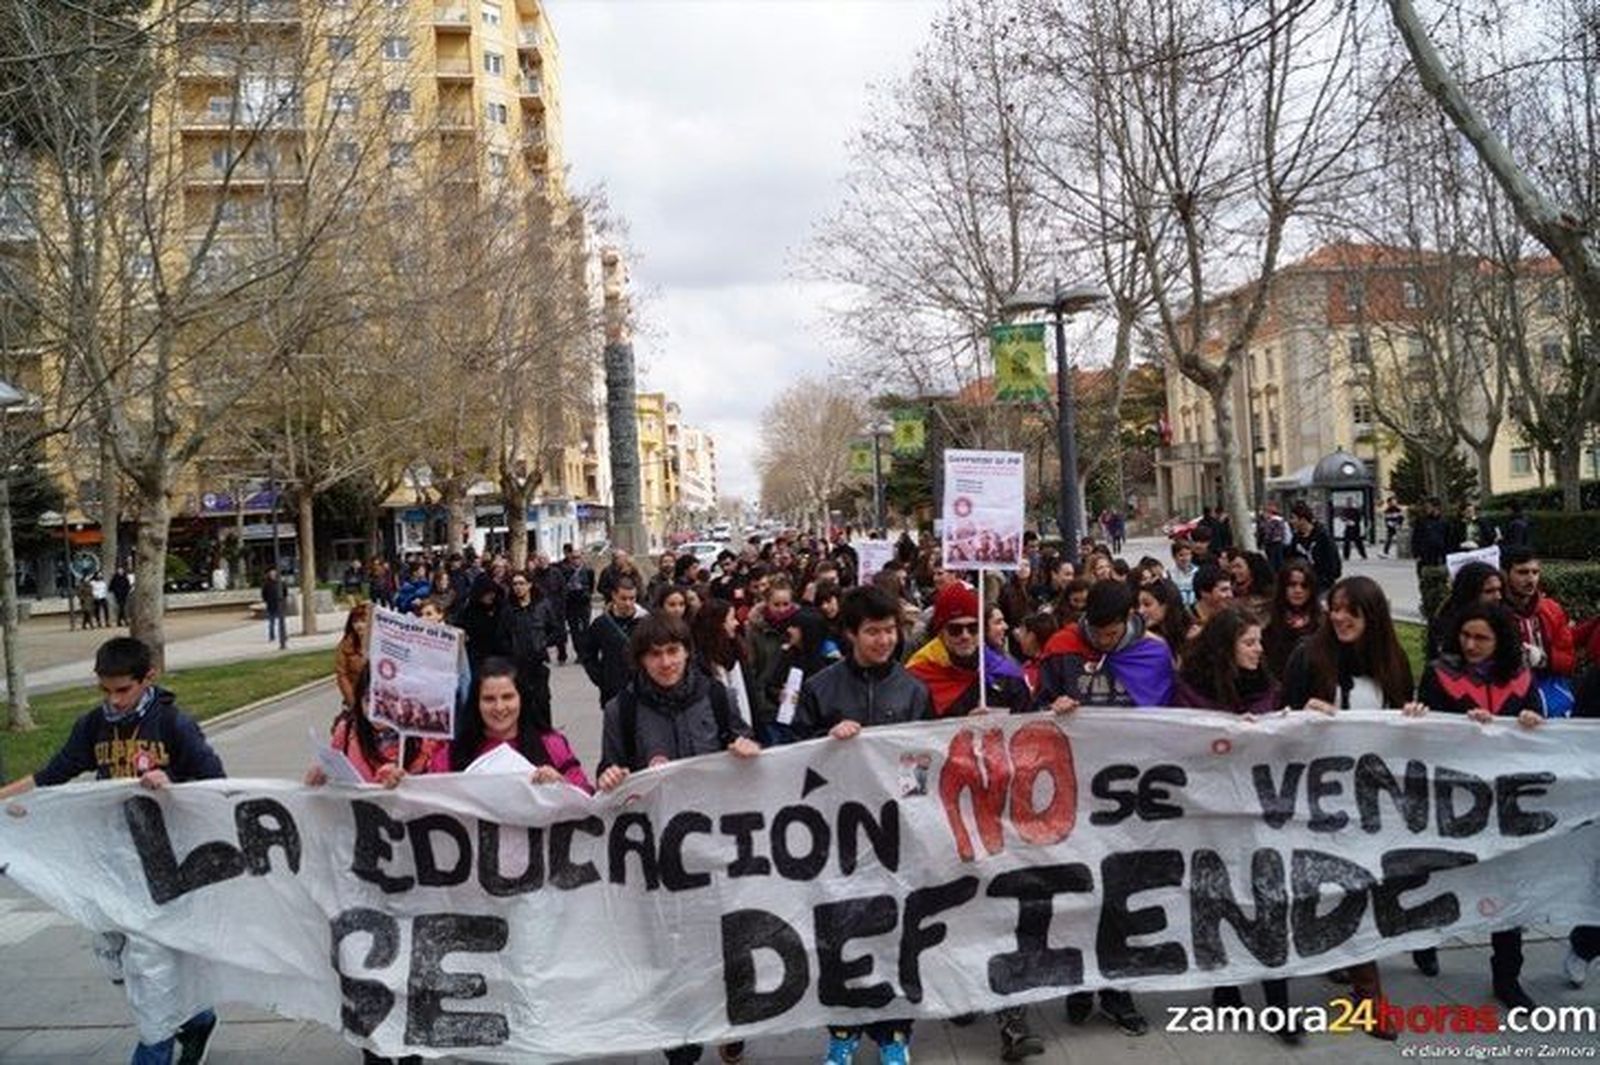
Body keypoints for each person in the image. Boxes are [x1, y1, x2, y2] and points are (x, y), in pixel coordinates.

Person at [0, 637, 224, 1065]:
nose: (114, 701)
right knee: (120, 962)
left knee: (152, 965)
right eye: (105, 690)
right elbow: (53, 775)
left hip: (167, 868)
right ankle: (196, 1019)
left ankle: (154, 1048)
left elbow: (215, 784)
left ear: (149, 678)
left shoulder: (174, 725)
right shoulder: (93, 726)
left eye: (123, 690)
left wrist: (171, 782)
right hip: (115, 863)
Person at [792, 586, 932, 1065]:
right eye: (873, 631)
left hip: (895, 835)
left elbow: (922, 769)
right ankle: (843, 1032)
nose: (883, 640)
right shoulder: (820, 688)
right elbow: (792, 765)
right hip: (836, 836)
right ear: (851, 633)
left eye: (890, 630)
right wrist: (825, 742)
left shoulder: (913, 690)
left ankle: (895, 1033)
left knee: (897, 933)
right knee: (841, 934)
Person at [1032, 580, 1169, 1035]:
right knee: (1076, 889)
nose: (1104, 641)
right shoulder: (1061, 648)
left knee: (1120, 891)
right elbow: (1031, 707)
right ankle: (1078, 986)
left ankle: (1117, 991)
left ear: (1132, 616)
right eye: (1097, 631)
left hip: (1128, 793)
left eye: (1112, 634)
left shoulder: (1153, 652)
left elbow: (1171, 717)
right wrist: (1052, 705)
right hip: (1071, 791)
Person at [1279, 576, 1414, 1038]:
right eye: (1334, 608)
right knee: (1318, 891)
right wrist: (1301, 717)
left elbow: (1403, 728)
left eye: (1350, 611)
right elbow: (1277, 726)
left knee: (1361, 889)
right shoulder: (1308, 657)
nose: (1338, 618)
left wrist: (1413, 716)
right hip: (1312, 802)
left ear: (1371, 616)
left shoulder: (1393, 663)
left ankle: (1367, 990)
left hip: (1370, 803)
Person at [1409, 603, 1544, 1004]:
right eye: (1465, 635)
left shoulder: (1521, 678)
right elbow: (1426, 732)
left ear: (1499, 640)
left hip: (1503, 802)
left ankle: (1507, 974)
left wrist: (1531, 722)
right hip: (1453, 799)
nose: (1470, 644)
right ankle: (1425, 939)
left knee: (1507, 884)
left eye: (1481, 638)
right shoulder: (1440, 674)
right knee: (1438, 876)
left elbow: (1535, 720)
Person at [433, 656, 591, 790]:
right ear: (476, 703)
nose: (499, 707)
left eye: (507, 697)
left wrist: (561, 785)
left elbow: (587, 798)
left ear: (521, 698)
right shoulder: (450, 754)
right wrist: (409, 786)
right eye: (489, 699)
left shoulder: (553, 745)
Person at [906, 584, 1031, 719]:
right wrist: (962, 725)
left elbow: (1028, 727)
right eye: (955, 629)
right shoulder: (918, 678)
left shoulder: (1006, 675)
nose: (965, 636)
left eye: (973, 628)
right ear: (940, 632)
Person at [306, 667, 441, 788]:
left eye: (387, 700)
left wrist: (405, 782)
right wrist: (323, 777)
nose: (375, 710)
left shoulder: (427, 740)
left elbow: (438, 790)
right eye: (368, 700)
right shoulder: (346, 732)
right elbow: (338, 781)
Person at [1501, 545, 1576, 713]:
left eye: (1535, 572)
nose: (1531, 579)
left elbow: (1569, 660)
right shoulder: (1494, 611)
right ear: (1505, 574)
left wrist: (1545, 659)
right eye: (1522, 572)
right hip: (1506, 686)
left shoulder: (1552, 609)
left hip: (1549, 686)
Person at [580, 574, 647, 708]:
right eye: (623, 598)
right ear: (614, 596)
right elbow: (588, 653)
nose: (628, 603)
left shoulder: (646, 622)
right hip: (612, 692)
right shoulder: (601, 624)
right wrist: (601, 678)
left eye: (632, 598)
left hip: (643, 691)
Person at [500, 570, 561, 710]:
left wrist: (543, 644)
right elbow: (501, 636)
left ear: (529, 585)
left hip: (538, 661)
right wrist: (510, 652)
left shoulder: (542, 605)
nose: (518, 587)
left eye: (521, 583)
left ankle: (544, 731)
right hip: (517, 664)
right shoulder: (508, 609)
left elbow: (556, 630)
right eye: (514, 584)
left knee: (541, 701)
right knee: (521, 704)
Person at [1424, 561, 1503, 662]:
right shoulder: (1446, 626)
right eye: (1489, 591)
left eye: (1499, 590)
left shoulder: (1503, 620)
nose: (1498, 597)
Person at [1263, 559, 1324, 679]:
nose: (1298, 590)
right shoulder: (1267, 617)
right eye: (1292, 585)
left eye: (1304, 586)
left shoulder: (1322, 619)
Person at [1136, 578, 1193, 662]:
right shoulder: (1144, 637)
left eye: (1147, 604)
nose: (1140, 611)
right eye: (1138, 605)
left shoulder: (1192, 634)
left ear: (1167, 605)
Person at [561, 544, 596, 668]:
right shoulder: (566, 571)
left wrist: (587, 594)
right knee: (574, 629)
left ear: (582, 558)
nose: (576, 560)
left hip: (584, 602)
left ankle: (587, 652)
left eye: (578, 557)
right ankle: (579, 653)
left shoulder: (588, 570)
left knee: (585, 628)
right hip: (571, 603)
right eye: (573, 558)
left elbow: (591, 586)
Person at [334, 602, 372, 710]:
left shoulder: (380, 644)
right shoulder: (345, 646)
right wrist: (352, 701)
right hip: (356, 698)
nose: (359, 625)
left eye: (363, 621)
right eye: (355, 622)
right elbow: (342, 675)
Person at [1410, 497, 1449, 572]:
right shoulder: (1421, 521)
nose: (1426, 509)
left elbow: (1449, 539)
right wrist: (1416, 554)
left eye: (1428, 507)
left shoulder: (1445, 522)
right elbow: (1415, 538)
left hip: (1440, 557)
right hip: (1424, 557)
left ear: (1436, 507)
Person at [1191, 564, 1234, 629]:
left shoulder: (1233, 616)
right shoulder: (1187, 619)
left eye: (1230, 589)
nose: (1230, 595)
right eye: (1224, 590)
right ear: (1204, 593)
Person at [1257, 503, 1289, 571]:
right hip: (1278, 542)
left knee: (1272, 562)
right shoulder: (1281, 520)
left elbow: (1266, 532)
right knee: (1279, 560)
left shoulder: (1271, 521)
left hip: (1271, 543)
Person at [261, 565, 287, 648]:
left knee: (281, 622)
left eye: (274, 573)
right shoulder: (267, 584)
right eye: (271, 573)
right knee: (271, 622)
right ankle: (272, 636)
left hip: (279, 604)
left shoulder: (281, 583)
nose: (273, 575)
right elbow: (264, 594)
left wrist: (283, 599)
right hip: (271, 605)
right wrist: (267, 601)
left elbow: (285, 592)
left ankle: (283, 635)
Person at [1169, 540, 1197, 606]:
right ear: (1174, 557)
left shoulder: (1198, 572)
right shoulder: (1168, 574)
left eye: (1187, 554)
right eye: (1181, 555)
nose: (1185, 558)